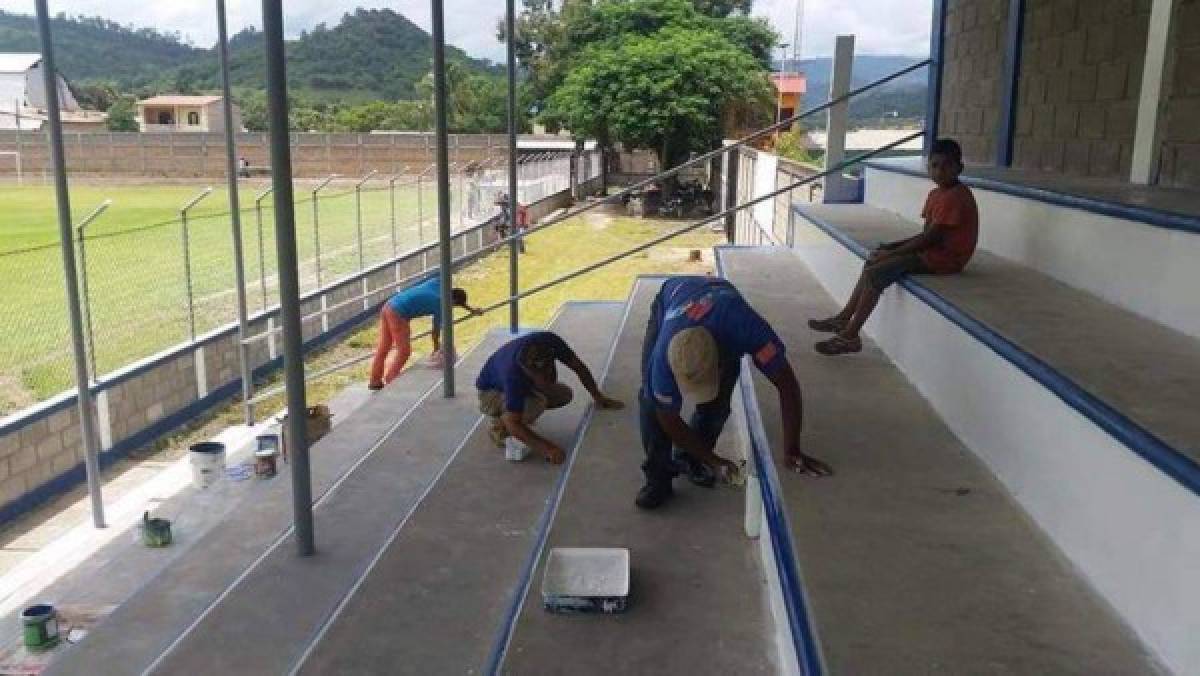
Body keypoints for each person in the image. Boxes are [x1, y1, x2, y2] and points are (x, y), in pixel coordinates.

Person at [637, 277, 833, 510]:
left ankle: (692, 458)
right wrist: (716, 460)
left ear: (720, 360)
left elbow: (787, 385)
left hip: (720, 300)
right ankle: (657, 478)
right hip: (671, 298)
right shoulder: (663, 359)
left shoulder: (748, 329)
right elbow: (667, 418)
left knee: (717, 406)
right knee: (650, 402)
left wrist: (792, 449)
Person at [809, 138, 979, 355]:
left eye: (946, 166)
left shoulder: (955, 197)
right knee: (874, 259)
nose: (939, 171)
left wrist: (894, 253)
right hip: (932, 252)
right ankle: (843, 319)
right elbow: (926, 234)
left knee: (876, 273)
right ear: (928, 168)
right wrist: (891, 247)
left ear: (959, 168)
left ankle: (850, 337)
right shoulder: (936, 194)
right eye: (934, 166)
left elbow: (931, 239)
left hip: (947, 259)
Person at [476, 331, 623, 464]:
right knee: (534, 405)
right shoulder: (512, 376)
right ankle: (499, 426)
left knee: (564, 394)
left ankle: (520, 411)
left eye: (546, 374)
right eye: (538, 377)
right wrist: (548, 449)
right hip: (490, 393)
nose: (544, 379)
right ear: (527, 371)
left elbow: (579, 367)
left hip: (518, 383)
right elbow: (513, 423)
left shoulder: (550, 341)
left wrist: (598, 396)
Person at [368, 276, 480, 391]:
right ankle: (391, 379)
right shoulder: (441, 304)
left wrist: (471, 310)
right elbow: (435, 332)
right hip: (399, 314)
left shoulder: (438, 283)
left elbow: (456, 297)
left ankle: (374, 381)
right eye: (453, 306)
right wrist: (436, 349)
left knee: (383, 348)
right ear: (452, 301)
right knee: (404, 351)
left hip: (389, 305)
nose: (451, 308)